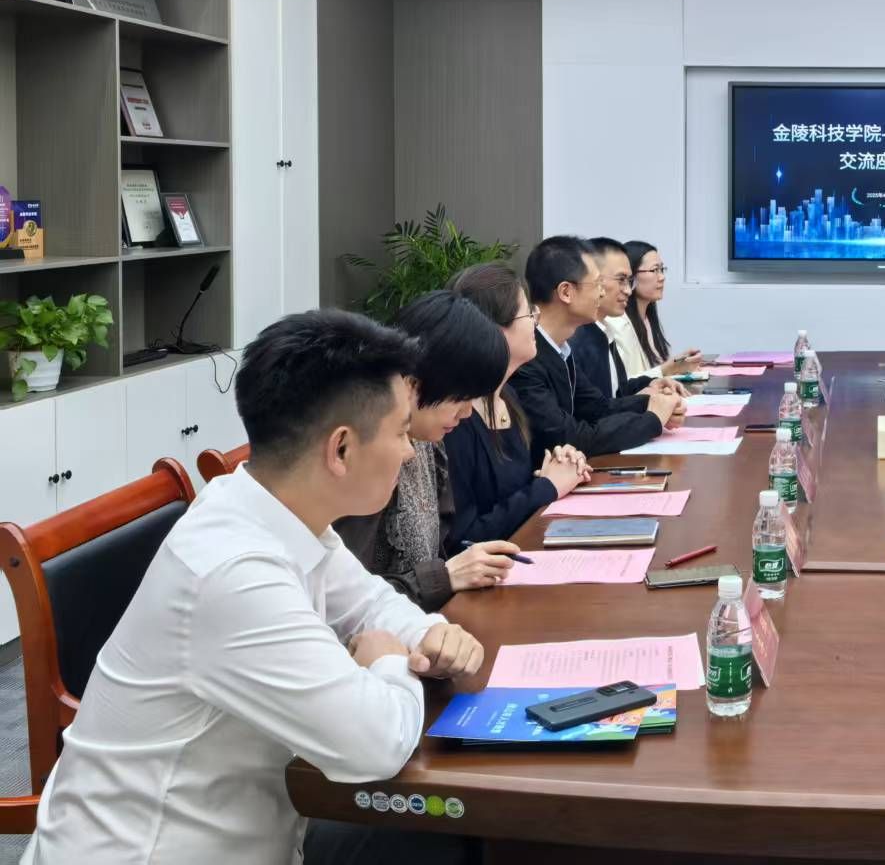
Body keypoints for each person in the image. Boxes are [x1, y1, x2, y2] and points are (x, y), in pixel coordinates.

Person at [23, 310, 483, 865]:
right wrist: (388, 659)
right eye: (401, 432)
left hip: (254, 829)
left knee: (448, 839)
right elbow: (375, 746)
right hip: (146, 852)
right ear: (340, 449)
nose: (410, 452)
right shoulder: (232, 572)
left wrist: (431, 634)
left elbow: (369, 602)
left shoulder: (276, 510)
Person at [334, 291, 523, 609]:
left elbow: (440, 547)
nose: (467, 414)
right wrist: (444, 577)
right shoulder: (367, 454)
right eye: (462, 398)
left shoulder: (430, 443)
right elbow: (344, 603)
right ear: (418, 382)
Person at [444, 263, 589, 543]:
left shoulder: (508, 395)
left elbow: (523, 487)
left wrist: (560, 463)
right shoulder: (455, 419)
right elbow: (463, 538)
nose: (536, 321)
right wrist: (547, 487)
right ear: (494, 329)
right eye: (529, 313)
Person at [511, 235, 682, 464]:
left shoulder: (561, 349)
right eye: (596, 284)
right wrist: (652, 419)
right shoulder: (527, 359)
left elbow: (598, 407)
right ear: (566, 292)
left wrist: (653, 403)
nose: (601, 293)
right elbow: (571, 437)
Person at [571, 237, 672, 401]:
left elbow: (618, 391)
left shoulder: (603, 330)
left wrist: (652, 385)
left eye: (629, 281)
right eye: (621, 280)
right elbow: (598, 409)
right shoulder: (579, 340)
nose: (628, 290)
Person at [607, 239, 702, 381]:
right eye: (654, 270)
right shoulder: (619, 324)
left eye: (662, 269)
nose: (662, 277)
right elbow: (625, 384)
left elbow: (654, 368)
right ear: (631, 276)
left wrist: (678, 365)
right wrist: (669, 368)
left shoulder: (647, 319)